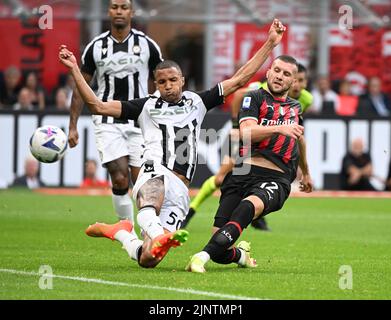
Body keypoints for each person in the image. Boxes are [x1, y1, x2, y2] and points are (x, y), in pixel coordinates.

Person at [59, 18, 287, 268]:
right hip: (155, 169)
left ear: (182, 81)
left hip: (181, 187)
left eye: (172, 80)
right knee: (151, 198)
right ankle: (158, 234)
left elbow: (240, 79)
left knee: (148, 259)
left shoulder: (197, 102)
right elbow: (97, 106)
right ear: (155, 85)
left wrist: (270, 43)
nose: (168, 86)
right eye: (162, 82)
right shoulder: (145, 106)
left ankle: (122, 232)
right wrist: (74, 69)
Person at [186, 54, 313, 273]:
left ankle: (200, 257)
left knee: (247, 208)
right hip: (242, 172)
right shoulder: (253, 98)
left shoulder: (295, 107)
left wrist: (306, 172)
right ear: (269, 72)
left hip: (276, 178)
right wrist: (279, 128)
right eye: (276, 70)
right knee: (221, 245)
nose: (280, 76)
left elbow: (299, 137)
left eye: (287, 74)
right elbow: (246, 132)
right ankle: (240, 255)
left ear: (293, 82)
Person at [67, 0, 162, 230]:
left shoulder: (147, 45)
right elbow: (82, 86)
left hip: (139, 120)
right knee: (119, 178)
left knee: (142, 181)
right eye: (114, 7)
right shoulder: (95, 47)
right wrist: (73, 126)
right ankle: (127, 231)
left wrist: (158, 112)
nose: (119, 11)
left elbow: (163, 78)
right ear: (109, 11)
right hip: (107, 121)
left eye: (124, 7)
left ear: (131, 12)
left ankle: (151, 233)